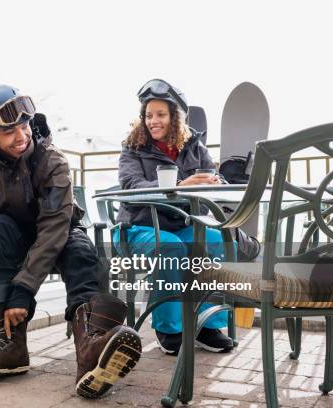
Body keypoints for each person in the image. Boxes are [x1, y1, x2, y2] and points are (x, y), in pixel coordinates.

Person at [0, 84, 142, 398]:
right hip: (11, 237)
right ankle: (9, 346)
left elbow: (54, 228)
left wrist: (23, 291)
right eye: (8, 130)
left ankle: (91, 349)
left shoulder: (52, 160)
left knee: (81, 252)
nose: (21, 135)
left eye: (24, 125)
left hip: (59, 232)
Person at [115, 78, 235, 356]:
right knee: (170, 246)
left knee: (216, 241)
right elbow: (130, 186)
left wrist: (214, 182)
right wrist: (179, 186)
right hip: (136, 228)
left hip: (180, 225)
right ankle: (169, 328)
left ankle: (208, 325)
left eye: (160, 115)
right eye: (148, 115)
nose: (153, 121)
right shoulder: (133, 148)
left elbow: (218, 178)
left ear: (175, 117)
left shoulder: (193, 146)